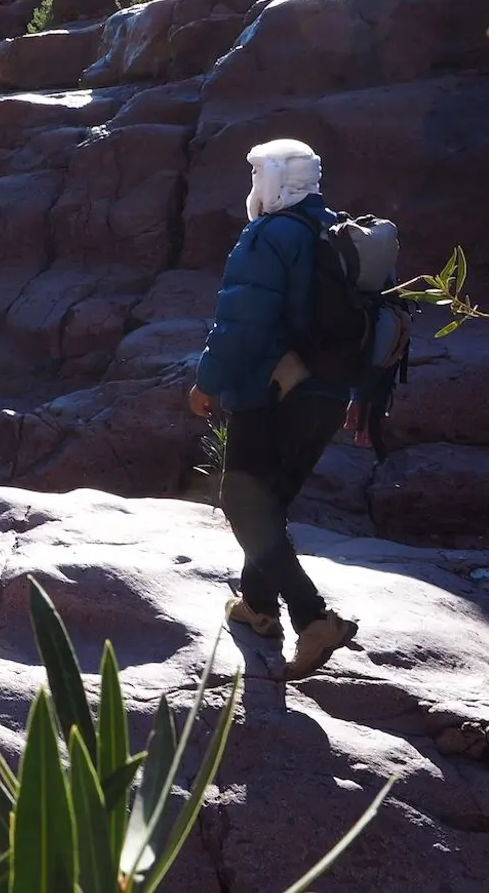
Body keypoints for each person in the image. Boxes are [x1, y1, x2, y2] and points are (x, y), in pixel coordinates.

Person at [190, 139, 358, 680]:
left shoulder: (270, 235)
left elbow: (243, 321)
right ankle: (260, 608)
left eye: (259, 172)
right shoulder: (334, 229)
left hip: (272, 394)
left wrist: (207, 382)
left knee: (244, 503)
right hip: (328, 394)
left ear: (277, 181)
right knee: (270, 502)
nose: (254, 183)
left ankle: (313, 619)